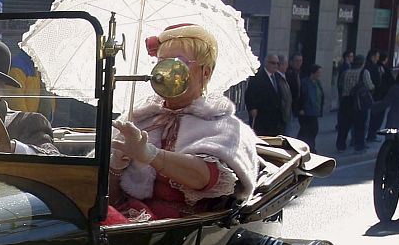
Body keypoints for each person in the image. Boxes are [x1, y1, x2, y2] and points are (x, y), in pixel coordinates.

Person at [109, 23, 259, 221]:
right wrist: (115, 166)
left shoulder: (221, 123)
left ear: (206, 72)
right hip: (133, 218)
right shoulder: (139, 117)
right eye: (162, 61)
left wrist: (150, 154)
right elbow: (107, 197)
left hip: (180, 229)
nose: (166, 71)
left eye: (179, 62)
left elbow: (205, 177)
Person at [243, 53, 292, 135]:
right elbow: (250, 93)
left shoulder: (277, 76)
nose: (276, 65)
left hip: (276, 117)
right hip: (263, 116)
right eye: (273, 63)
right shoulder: (258, 76)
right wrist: (252, 108)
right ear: (266, 63)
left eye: (277, 63)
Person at [336, 52, 370, 152]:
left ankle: (340, 145)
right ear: (363, 63)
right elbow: (369, 85)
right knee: (359, 125)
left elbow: (340, 84)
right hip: (358, 101)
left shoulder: (346, 72)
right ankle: (359, 145)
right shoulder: (364, 72)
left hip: (346, 100)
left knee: (344, 125)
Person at [297, 62, 324, 147]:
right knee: (308, 130)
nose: (319, 75)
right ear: (313, 73)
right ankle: (308, 147)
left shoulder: (317, 82)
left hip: (315, 110)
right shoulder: (305, 82)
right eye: (318, 73)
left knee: (312, 130)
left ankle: (309, 146)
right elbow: (301, 95)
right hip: (307, 110)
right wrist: (301, 108)